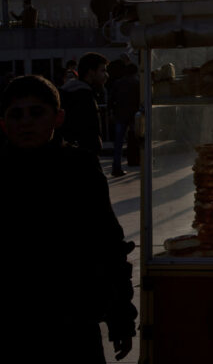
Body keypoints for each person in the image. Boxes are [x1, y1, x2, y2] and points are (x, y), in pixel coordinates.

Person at [1, 75, 137, 361]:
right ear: (3, 123)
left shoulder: (80, 170)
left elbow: (108, 245)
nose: (26, 122)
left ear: (58, 117)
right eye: (16, 114)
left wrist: (120, 316)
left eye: (36, 112)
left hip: (74, 325)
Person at [59, 52, 109, 155]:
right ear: (91, 72)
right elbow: (88, 132)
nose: (106, 75)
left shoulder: (70, 92)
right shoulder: (84, 96)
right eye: (103, 71)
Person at [109, 62, 140, 177]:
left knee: (118, 143)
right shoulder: (137, 83)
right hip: (133, 116)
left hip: (120, 115)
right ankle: (135, 160)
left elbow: (111, 99)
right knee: (136, 139)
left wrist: (111, 111)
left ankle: (116, 167)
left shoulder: (118, 83)